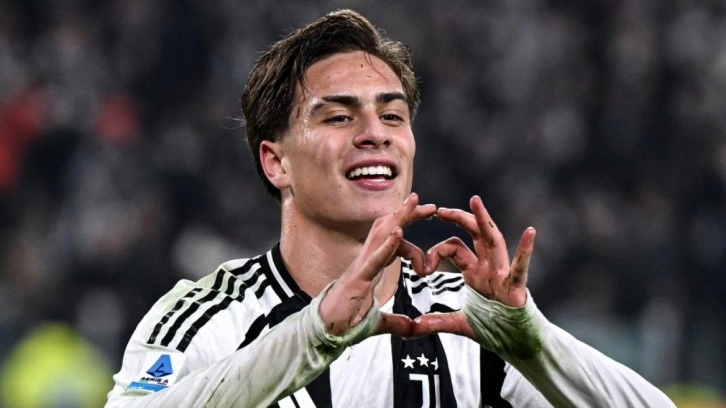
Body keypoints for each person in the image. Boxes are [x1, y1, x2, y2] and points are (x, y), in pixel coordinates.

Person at [105, 9, 675, 407]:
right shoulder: (211, 317)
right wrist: (314, 334)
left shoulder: (463, 321)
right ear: (276, 163)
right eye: (339, 116)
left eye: (393, 115)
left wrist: (535, 344)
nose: (375, 133)